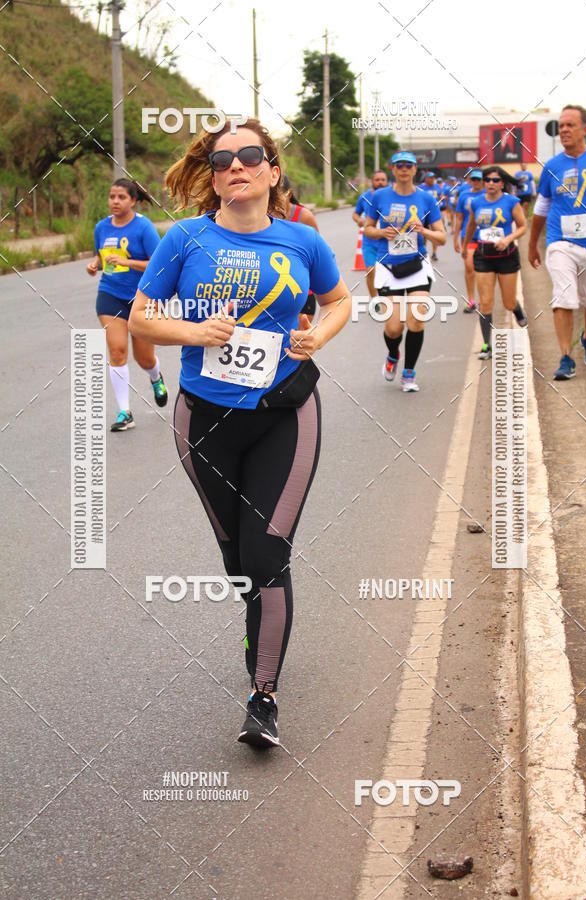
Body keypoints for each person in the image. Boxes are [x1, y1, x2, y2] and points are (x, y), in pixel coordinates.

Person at [128, 119, 351, 748]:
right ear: (214, 175)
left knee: (265, 555)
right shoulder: (185, 240)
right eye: (222, 158)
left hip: (285, 413)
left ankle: (263, 696)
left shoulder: (302, 242)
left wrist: (318, 336)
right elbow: (142, 318)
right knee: (237, 563)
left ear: (272, 171)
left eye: (250, 155)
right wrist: (195, 333)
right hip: (204, 419)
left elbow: (339, 301)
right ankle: (261, 623)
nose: (236, 166)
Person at [86, 179, 167, 431]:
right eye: (112, 197)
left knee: (143, 358)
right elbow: (101, 257)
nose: (115, 202)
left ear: (133, 200)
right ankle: (125, 412)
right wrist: (94, 265)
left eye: (121, 197)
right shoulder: (101, 227)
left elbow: (157, 264)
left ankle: (155, 377)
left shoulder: (144, 228)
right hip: (110, 295)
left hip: (141, 298)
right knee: (117, 350)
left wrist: (130, 263)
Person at [363, 150, 446, 391]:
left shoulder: (427, 199)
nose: (403, 169)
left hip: (417, 265)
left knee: (417, 321)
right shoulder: (379, 197)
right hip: (388, 266)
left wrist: (424, 231)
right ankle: (392, 355)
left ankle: (409, 373)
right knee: (393, 327)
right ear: (392, 169)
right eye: (399, 165)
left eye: (408, 165)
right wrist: (381, 232)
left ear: (414, 170)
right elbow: (367, 228)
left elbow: (441, 238)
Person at [528, 104, 586, 379]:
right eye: (561, 126)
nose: (564, 130)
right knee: (564, 295)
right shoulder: (552, 166)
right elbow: (542, 207)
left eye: (570, 125)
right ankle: (565, 358)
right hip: (560, 242)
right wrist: (533, 243)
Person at [463, 165, 528, 359]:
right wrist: (465, 245)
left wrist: (508, 239)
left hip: (507, 256)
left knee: (508, 302)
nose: (491, 183)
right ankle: (486, 345)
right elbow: (471, 225)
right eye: (488, 180)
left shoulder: (511, 202)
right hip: (484, 256)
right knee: (485, 303)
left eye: (496, 180)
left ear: (502, 183)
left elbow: (523, 226)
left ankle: (517, 309)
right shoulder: (476, 202)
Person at [281, 174, 320, 322]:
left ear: (289, 193)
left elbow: (317, 255)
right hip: (271, 290)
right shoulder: (262, 216)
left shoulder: (304, 217)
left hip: (300, 290)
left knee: (297, 342)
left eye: (276, 194)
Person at [353, 169, 389, 305]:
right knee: (370, 271)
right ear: (372, 182)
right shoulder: (364, 197)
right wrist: (359, 220)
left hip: (387, 243)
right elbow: (355, 213)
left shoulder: (392, 197)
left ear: (387, 181)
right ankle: (375, 301)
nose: (380, 182)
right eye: (377, 180)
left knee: (387, 273)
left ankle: (386, 297)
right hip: (369, 242)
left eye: (383, 180)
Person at [454, 170, 485, 312]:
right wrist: (455, 238)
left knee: (485, 270)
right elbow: (459, 218)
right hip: (468, 236)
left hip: (486, 236)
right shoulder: (464, 196)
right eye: (474, 179)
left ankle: (485, 297)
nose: (476, 182)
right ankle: (471, 299)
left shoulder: (488, 194)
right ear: (470, 180)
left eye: (479, 179)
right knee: (469, 267)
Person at [420, 171, 441, 260]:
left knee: (434, 233)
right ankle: (424, 250)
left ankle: (434, 253)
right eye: (430, 178)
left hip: (434, 214)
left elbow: (441, 196)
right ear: (426, 179)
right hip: (424, 214)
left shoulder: (437, 187)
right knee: (424, 233)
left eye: (433, 178)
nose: (432, 179)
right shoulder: (421, 187)